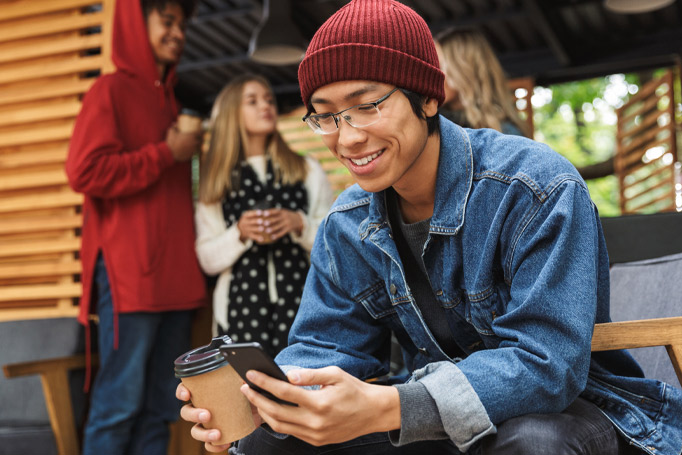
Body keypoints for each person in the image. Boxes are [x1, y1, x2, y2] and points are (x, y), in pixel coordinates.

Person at [177, 1, 682, 454]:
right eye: (326, 116)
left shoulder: (535, 188)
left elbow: (546, 366)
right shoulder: (346, 224)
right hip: (428, 414)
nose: (347, 138)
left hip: (571, 410)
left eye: (367, 105)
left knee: (532, 441)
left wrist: (387, 406)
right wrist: (263, 404)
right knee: (271, 444)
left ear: (428, 99)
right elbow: (324, 350)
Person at [65, 0, 207, 453]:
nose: (178, 33)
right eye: (167, 21)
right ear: (134, 22)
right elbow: (84, 172)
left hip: (175, 278)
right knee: (119, 405)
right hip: (131, 277)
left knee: (160, 409)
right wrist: (167, 153)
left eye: (182, 24)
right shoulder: (109, 91)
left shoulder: (172, 100)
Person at [194, 74, 334, 356]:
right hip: (237, 314)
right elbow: (207, 259)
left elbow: (335, 240)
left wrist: (300, 224)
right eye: (253, 101)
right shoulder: (217, 183)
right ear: (232, 112)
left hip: (303, 306)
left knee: (301, 390)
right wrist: (240, 233)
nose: (265, 106)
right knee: (244, 396)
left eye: (269, 99)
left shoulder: (306, 168)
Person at [434, 27, 530, 137]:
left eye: (439, 66)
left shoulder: (505, 133)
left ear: (464, 71)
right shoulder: (431, 123)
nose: (432, 75)